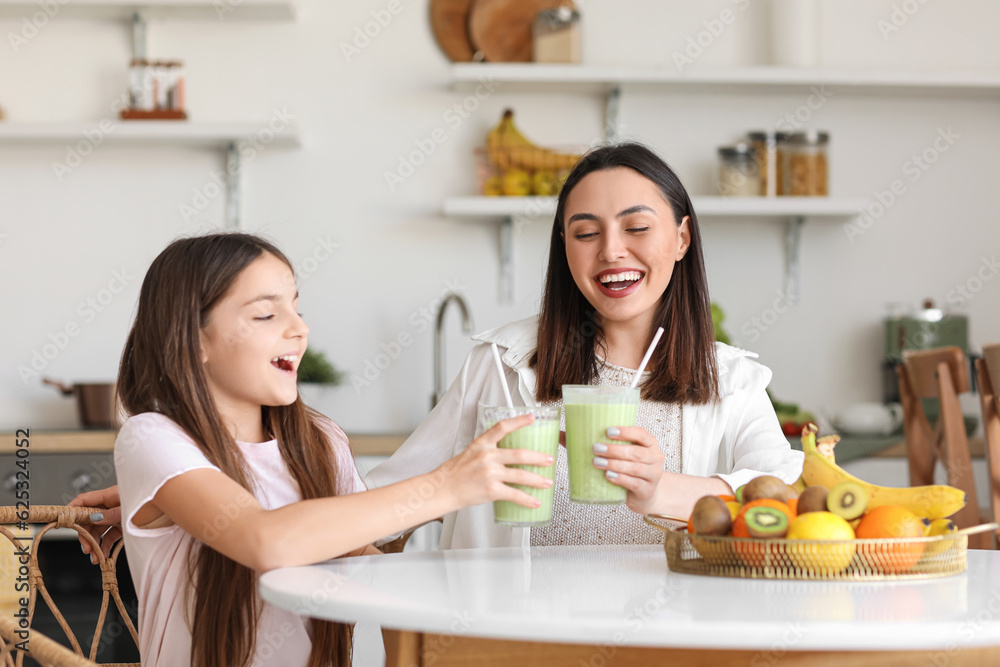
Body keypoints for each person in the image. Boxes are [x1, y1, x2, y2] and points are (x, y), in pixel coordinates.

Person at [69, 233, 554, 667]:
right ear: (194, 340)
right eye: (265, 313)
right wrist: (447, 486)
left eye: (297, 308)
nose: (298, 328)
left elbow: (365, 566)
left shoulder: (319, 442)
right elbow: (265, 541)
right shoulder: (152, 436)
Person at [365, 142, 804, 548]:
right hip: (512, 633)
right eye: (586, 233)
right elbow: (379, 505)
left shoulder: (732, 380)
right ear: (564, 246)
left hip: (669, 632)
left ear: (682, 239)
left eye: (636, 227)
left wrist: (659, 489)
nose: (611, 251)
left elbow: (780, 497)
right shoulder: (502, 366)